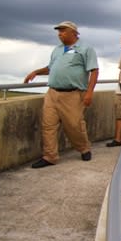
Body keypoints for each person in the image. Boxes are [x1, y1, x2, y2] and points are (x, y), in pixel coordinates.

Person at [24, 21, 99, 168]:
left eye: (63, 31)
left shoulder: (85, 49)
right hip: (52, 93)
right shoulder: (57, 50)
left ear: (74, 33)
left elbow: (94, 70)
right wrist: (36, 72)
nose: (60, 34)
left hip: (72, 95)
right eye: (59, 31)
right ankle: (50, 157)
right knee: (48, 126)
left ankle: (84, 148)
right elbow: (50, 68)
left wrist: (89, 92)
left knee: (74, 126)